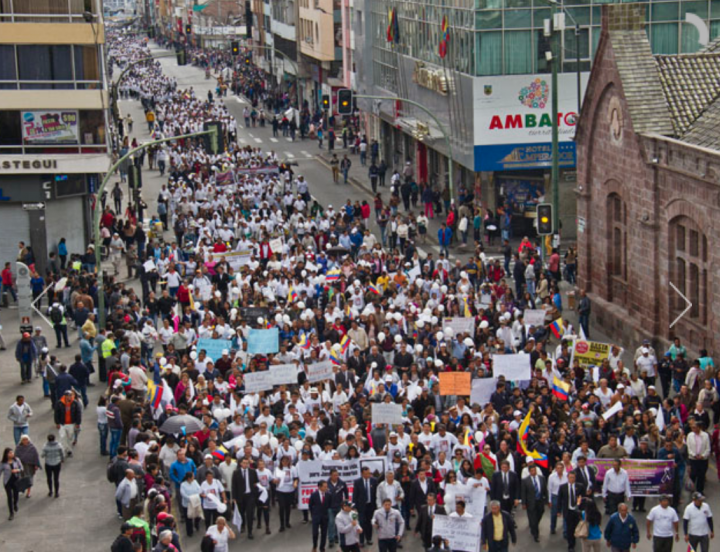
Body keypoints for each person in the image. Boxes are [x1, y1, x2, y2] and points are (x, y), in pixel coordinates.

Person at [231, 457, 258, 539]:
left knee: (249, 514)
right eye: (244, 463)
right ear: (241, 464)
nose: (246, 464)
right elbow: (234, 485)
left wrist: (255, 493)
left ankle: (250, 531)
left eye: (247, 463)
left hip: (250, 496)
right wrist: (234, 497)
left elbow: (256, 482)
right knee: (241, 513)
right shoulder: (236, 472)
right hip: (240, 496)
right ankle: (243, 525)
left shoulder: (252, 472)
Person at [559, 471, 586, 552]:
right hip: (568, 511)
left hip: (577, 511)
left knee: (577, 527)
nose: (572, 479)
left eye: (573, 477)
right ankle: (571, 545)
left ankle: (576, 538)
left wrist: (583, 508)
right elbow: (560, 499)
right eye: (570, 477)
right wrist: (558, 510)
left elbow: (584, 498)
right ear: (567, 478)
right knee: (569, 529)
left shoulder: (580, 486)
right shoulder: (563, 487)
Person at [520, 463, 548, 542]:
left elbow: (545, 490)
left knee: (540, 514)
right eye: (532, 471)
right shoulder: (525, 481)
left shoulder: (542, 478)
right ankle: (536, 534)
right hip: (530, 502)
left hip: (540, 501)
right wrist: (523, 503)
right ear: (529, 472)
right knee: (533, 518)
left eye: (534, 470)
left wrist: (546, 500)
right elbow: (523, 492)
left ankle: (533, 526)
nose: (533, 472)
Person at [354, 466, 378, 546]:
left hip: (371, 506)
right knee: (361, 523)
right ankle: (361, 541)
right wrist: (354, 507)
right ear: (362, 474)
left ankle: (369, 538)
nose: (368, 475)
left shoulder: (374, 481)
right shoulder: (357, 482)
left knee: (369, 523)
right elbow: (355, 495)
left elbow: (375, 494)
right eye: (366, 474)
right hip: (361, 506)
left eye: (369, 473)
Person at [54, 389, 82, 456]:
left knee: (70, 437)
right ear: (65, 396)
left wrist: (78, 423)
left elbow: (78, 413)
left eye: (70, 395)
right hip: (62, 423)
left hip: (71, 423)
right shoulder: (59, 403)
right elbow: (56, 413)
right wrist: (57, 423)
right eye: (68, 396)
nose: (70, 397)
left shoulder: (75, 403)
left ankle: (68, 449)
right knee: (62, 437)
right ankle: (63, 451)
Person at [687, 422, 711, 494]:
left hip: (703, 459)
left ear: (699, 428)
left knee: (701, 475)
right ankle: (691, 488)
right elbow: (689, 447)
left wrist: (703, 455)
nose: (693, 429)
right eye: (692, 427)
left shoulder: (705, 435)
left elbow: (708, 448)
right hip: (693, 459)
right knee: (693, 474)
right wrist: (694, 455)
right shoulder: (690, 435)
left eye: (694, 427)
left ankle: (700, 490)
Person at [1, 447, 22, 520]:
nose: (12, 454)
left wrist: (17, 470)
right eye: (10, 453)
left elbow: (21, 468)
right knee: (9, 497)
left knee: (16, 495)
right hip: (7, 482)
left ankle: (15, 503)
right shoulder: (3, 463)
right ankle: (11, 513)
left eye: (12, 452)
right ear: (6, 454)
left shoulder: (17, 460)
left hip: (16, 480)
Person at [310, 479, 331, 552]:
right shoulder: (314, 495)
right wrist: (313, 514)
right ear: (319, 487)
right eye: (324, 487)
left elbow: (329, 505)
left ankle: (322, 547)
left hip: (324, 516)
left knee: (324, 533)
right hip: (316, 516)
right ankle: (315, 545)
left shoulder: (328, 495)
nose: (326, 488)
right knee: (315, 533)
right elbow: (310, 505)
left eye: (326, 486)